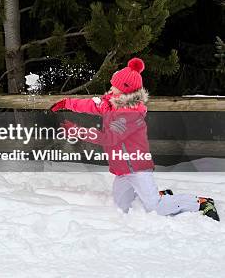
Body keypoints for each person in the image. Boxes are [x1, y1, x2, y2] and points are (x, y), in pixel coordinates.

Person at [51, 58, 219, 221]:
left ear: (126, 91)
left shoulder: (130, 114)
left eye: (115, 86)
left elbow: (109, 138)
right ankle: (159, 194)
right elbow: (92, 104)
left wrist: (78, 131)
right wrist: (67, 103)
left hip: (137, 167)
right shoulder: (111, 102)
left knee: (155, 208)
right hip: (122, 169)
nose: (111, 87)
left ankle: (201, 203)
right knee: (121, 207)